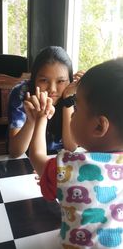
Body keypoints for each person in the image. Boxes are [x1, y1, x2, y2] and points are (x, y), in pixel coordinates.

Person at [29, 58, 123, 248]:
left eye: (77, 108)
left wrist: (41, 118)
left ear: (98, 126)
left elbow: (37, 155)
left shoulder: (69, 168)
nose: (72, 113)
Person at [8, 46, 83, 157]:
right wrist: (32, 119)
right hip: (27, 158)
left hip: (60, 159)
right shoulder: (22, 93)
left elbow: (71, 147)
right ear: (34, 79)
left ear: (70, 81)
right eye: (44, 80)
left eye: (60, 81)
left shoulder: (74, 95)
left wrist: (68, 99)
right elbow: (15, 152)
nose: (52, 89)